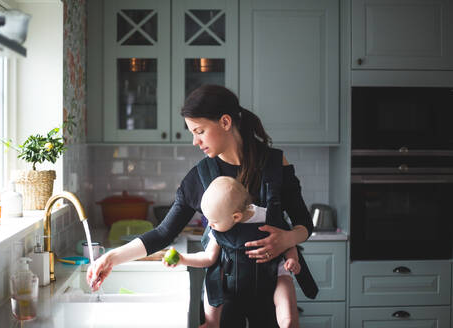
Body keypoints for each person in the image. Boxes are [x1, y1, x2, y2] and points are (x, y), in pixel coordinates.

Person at [87, 84, 315, 327]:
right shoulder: (199, 177)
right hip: (224, 298)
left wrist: (288, 239)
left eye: (200, 131)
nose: (195, 141)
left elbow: (305, 224)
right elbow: (163, 233)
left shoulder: (274, 162)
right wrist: (112, 257)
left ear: (225, 122)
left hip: (273, 291)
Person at [163, 176, 301, 328]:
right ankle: (211, 322)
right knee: (214, 278)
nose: (210, 225)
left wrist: (292, 259)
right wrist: (182, 259)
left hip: (271, 274)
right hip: (234, 280)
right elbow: (208, 258)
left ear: (236, 217)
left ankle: (287, 321)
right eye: (207, 219)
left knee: (285, 283)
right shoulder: (219, 228)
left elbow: (288, 242)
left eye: (213, 221)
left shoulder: (269, 217)